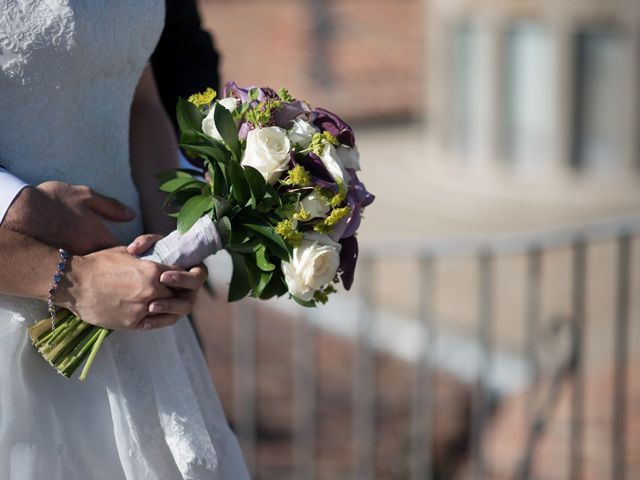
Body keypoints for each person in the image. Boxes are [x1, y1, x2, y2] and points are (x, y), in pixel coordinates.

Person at [0, 2, 250, 479]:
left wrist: (174, 249)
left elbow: (140, 102)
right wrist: (71, 276)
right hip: (18, 293)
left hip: (135, 304)